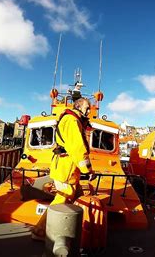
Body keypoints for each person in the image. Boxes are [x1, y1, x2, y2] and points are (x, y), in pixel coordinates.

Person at [31, 97, 96, 240]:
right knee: (62, 199)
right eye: (87, 107)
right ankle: (40, 231)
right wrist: (88, 170)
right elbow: (78, 148)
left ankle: (69, 226)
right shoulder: (72, 121)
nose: (89, 110)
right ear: (78, 106)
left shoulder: (72, 120)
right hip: (66, 169)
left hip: (68, 168)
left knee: (74, 195)